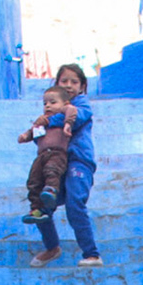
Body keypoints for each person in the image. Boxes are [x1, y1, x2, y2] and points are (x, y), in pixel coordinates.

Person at [29, 63, 103, 268]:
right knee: (42, 206)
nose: (69, 85)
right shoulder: (50, 110)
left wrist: (46, 121)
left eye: (74, 82)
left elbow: (75, 118)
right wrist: (36, 130)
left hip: (78, 161)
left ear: (82, 86)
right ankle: (52, 247)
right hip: (55, 165)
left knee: (74, 203)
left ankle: (92, 254)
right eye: (64, 81)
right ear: (57, 84)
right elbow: (40, 138)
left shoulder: (81, 104)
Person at [18, 86, 75, 224]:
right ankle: (36, 209)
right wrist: (25, 136)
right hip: (41, 156)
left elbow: (71, 110)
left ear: (64, 104)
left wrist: (68, 123)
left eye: (53, 102)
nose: (48, 106)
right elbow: (33, 132)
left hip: (57, 153)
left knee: (52, 171)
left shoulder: (62, 117)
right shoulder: (42, 122)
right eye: (45, 104)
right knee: (33, 180)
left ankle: (51, 191)